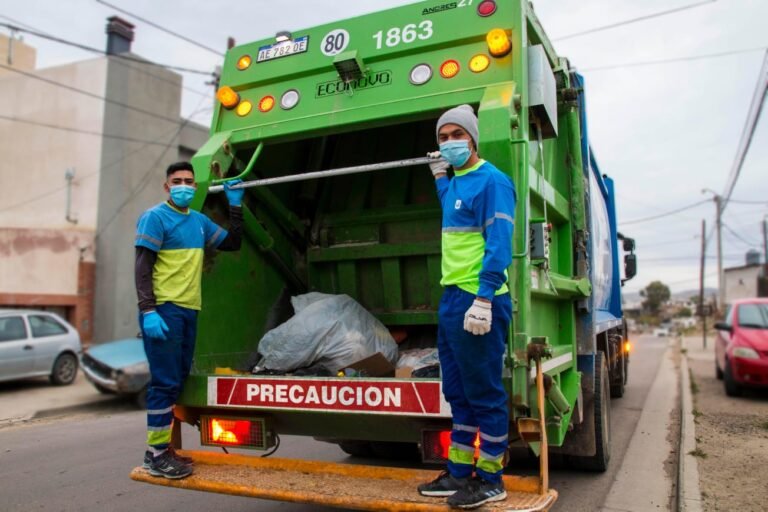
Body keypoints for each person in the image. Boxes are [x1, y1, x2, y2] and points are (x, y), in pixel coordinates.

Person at [417, 105, 516, 508]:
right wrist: (440, 176)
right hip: (452, 298)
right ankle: (459, 473)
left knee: (484, 392)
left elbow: (500, 243)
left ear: (472, 138)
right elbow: (451, 203)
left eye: (456, 134)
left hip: (479, 299)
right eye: (442, 137)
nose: (449, 142)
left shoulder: (493, 181)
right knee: (457, 391)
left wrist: (484, 298)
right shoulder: (456, 182)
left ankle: (491, 479)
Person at [134, 162, 244, 479]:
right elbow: (142, 267)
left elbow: (233, 243)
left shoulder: (199, 222)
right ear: (167, 187)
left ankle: (160, 450)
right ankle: (155, 456)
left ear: (195, 188)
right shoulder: (154, 217)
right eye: (177, 181)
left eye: (189, 181)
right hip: (164, 310)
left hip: (188, 309)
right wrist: (148, 310)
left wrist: (235, 205)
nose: (184, 185)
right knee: (165, 384)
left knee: (177, 382)